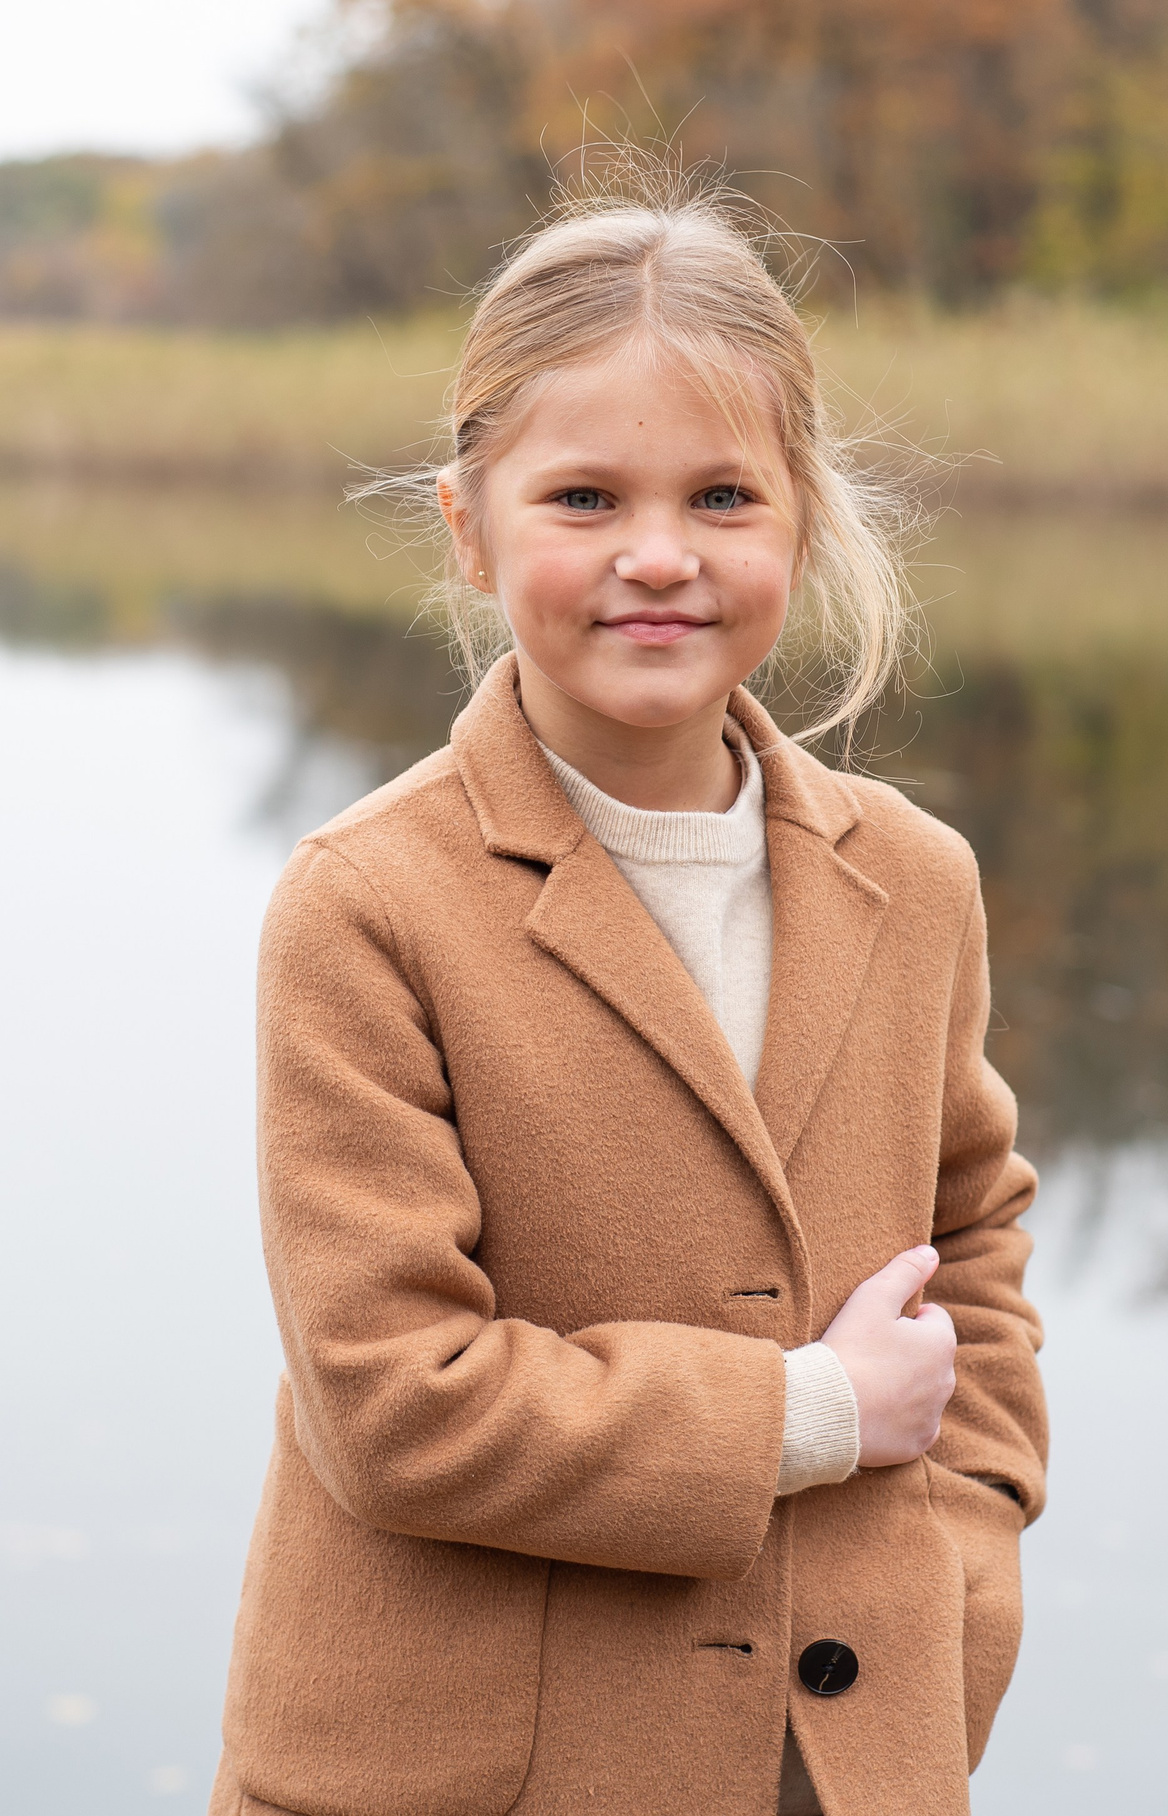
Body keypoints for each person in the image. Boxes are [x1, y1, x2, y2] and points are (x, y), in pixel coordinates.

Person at [210, 176, 1043, 1816]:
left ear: (801, 520)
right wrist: (818, 1410)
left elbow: (980, 1238)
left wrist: (970, 1549)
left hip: (838, 1750)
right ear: (468, 526)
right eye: (584, 496)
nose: (657, 557)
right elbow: (393, 1399)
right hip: (470, 1775)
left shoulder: (918, 876)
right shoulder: (366, 904)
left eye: (724, 495)